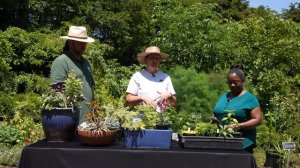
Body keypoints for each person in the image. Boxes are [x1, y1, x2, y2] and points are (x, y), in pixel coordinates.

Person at [212, 64, 262, 153]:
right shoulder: (224, 96)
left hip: (242, 144)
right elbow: (217, 111)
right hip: (222, 141)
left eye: (235, 82)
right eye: (229, 82)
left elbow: (257, 120)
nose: (232, 85)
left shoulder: (250, 98)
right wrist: (215, 119)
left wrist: (237, 126)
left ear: (243, 81)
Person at [50, 26, 95, 123]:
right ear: (70, 43)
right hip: (71, 121)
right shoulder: (61, 62)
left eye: (85, 43)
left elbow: (91, 88)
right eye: (80, 43)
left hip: (89, 120)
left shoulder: (86, 63)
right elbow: (58, 91)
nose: (83, 46)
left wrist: (95, 112)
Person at [126, 46, 176, 111]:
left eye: (157, 58)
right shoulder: (137, 76)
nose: (154, 61)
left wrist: (170, 95)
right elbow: (128, 100)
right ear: (145, 60)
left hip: (162, 118)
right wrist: (142, 98)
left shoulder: (165, 77)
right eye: (151, 58)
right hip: (141, 118)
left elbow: (173, 103)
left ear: (160, 60)